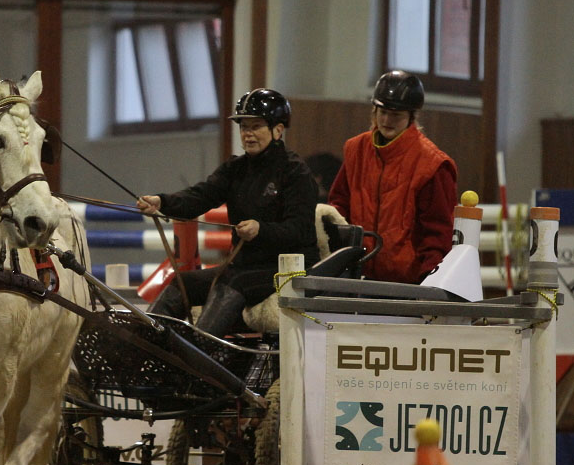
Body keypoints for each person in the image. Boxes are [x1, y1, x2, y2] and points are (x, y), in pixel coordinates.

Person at [136, 88, 319, 337]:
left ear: (278, 130)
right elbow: (201, 195)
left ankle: (198, 354)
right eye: (244, 127)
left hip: (287, 270)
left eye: (256, 127)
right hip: (244, 267)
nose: (248, 134)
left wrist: (260, 229)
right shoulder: (235, 168)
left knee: (232, 282)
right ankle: (145, 343)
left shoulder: (296, 172)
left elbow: (299, 230)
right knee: (183, 282)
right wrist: (162, 202)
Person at [328, 70, 457, 284]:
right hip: (355, 275)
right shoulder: (355, 150)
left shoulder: (432, 164)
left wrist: (430, 283)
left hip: (408, 283)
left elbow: (437, 233)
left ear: (411, 117)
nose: (387, 120)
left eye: (396, 114)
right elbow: (338, 206)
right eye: (382, 112)